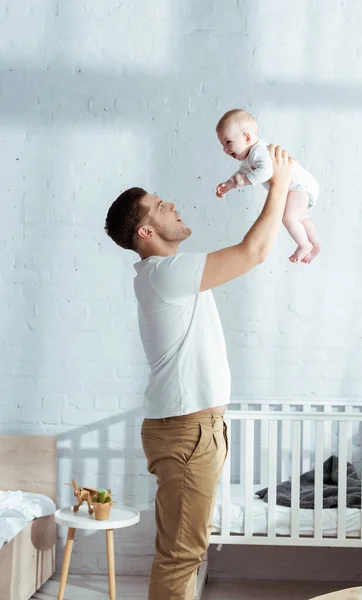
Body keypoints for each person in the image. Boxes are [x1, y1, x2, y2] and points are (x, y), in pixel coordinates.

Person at [104, 144, 295, 599]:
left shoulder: (166, 273)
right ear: (147, 230)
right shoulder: (163, 273)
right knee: (181, 556)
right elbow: (255, 251)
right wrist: (281, 185)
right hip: (189, 429)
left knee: (182, 551)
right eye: (158, 205)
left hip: (191, 427)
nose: (171, 202)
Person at [216, 109, 320, 264]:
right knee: (301, 218)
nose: (225, 149)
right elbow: (242, 172)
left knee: (289, 218)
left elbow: (265, 172)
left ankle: (304, 245)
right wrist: (230, 184)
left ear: (246, 137)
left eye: (228, 142)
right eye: (222, 145)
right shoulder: (249, 157)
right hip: (303, 187)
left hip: (299, 186)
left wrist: (243, 181)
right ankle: (315, 244)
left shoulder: (259, 152)